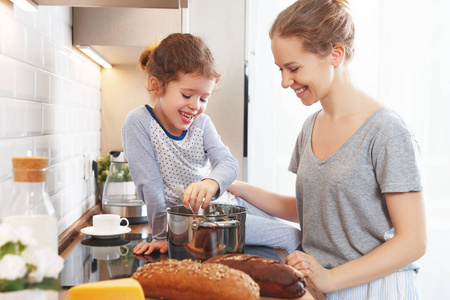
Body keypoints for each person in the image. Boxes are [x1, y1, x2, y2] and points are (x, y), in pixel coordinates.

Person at [227, 0, 426, 299]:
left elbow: (413, 241)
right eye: (280, 69)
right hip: (322, 285)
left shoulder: (386, 130)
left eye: (293, 68)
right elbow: (315, 209)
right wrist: (235, 187)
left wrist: (331, 277)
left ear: (336, 53)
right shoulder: (311, 126)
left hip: (377, 287)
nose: (284, 81)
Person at [122, 33, 301, 256]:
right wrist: (163, 235)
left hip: (229, 205)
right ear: (156, 87)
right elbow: (150, 186)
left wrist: (211, 182)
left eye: (203, 99)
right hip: (200, 222)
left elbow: (228, 162)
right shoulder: (139, 122)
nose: (195, 106)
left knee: (290, 230)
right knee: (293, 236)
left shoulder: (202, 124)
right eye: (187, 95)